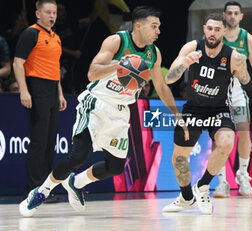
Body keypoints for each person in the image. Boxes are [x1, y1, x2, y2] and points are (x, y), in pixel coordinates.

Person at [19, 5, 187, 217]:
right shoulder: (116, 41)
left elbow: (162, 87)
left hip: (120, 111)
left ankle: (76, 182)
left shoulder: (154, 53)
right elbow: (92, 73)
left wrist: (177, 116)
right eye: (154, 26)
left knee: (115, 168)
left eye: (159, 27)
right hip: (96, 103)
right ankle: (41, 191)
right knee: (78, 156)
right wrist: (120, 65)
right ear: (138, 26)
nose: (158, 31)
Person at [162, 13, 252, 215]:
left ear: (224, 32)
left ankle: (203, 185)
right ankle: (186, 198)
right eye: (210, 28)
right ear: (204, 29)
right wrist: (185, 64)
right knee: (179, 158)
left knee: (227, 141)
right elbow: (169, 79)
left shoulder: (234, 57)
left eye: (217, 29)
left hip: (218, 109)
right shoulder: (191, 48)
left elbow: (250, 88)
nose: (213, 33)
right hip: (192, 109)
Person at [12, 0, 67, 201]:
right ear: (38, 14)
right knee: (38, 141)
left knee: (49, 141)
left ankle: (44, 190)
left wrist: (60, 94)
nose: (52, 16)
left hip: (52, 89)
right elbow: (18, 63)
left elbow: (55, 67)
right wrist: (24, 91)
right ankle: (32, 190)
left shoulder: (56, 37)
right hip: (36, 88)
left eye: (54, 12)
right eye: (48, 12)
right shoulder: (30, 33)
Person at [213, 1, 252, 198]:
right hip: (217, 91)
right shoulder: (215, 34)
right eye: (229, 13)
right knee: (218, 136)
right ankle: (221, 182)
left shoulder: (248, 39)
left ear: (241, 16)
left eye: (236, 13)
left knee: (243, 133)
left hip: (238, 91)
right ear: (224, 15)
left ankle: (243, 174)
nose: (233, 16)